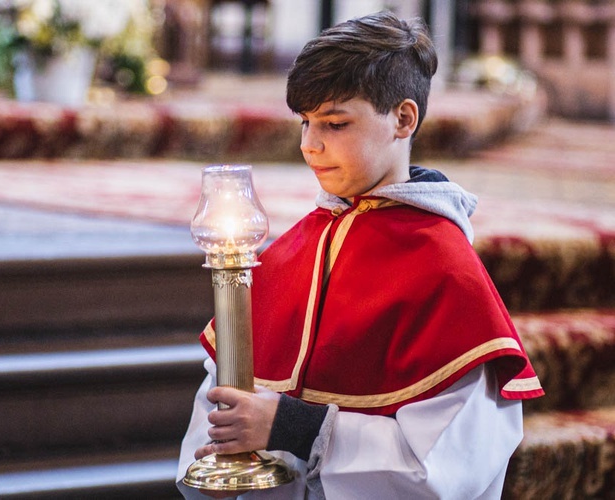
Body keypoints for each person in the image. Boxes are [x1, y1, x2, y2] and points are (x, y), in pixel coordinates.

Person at [177, 10, 544, 499]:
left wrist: (297, 428)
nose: (310, 144)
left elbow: (446, 471)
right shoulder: (287, 259)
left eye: (334, 123)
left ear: (403, 118)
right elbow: (217, 414)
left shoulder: (445, 274)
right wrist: (213, 471)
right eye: (305, 122)